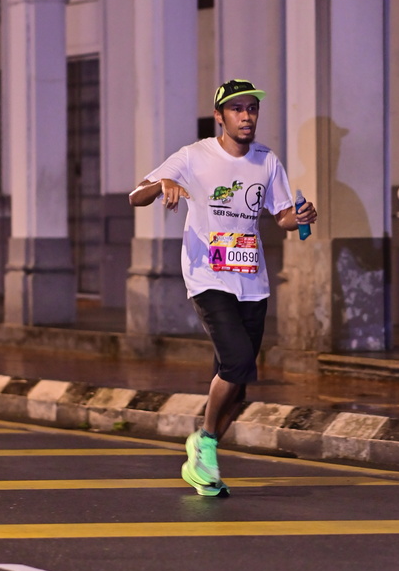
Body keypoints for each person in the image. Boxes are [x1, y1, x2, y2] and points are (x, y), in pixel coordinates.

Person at [129, 79, 317, 497]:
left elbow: (283, 216)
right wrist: (162, 185)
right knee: (235, 360)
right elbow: (135, 197)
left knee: (239, 382)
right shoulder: (193, 156)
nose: (246, 116)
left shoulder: (267, 161)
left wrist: (301, 216)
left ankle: (203, 461)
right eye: (237, 109)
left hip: (252, 281)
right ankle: (206, 440)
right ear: (220, 116)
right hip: (207, 276)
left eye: (252, 109)